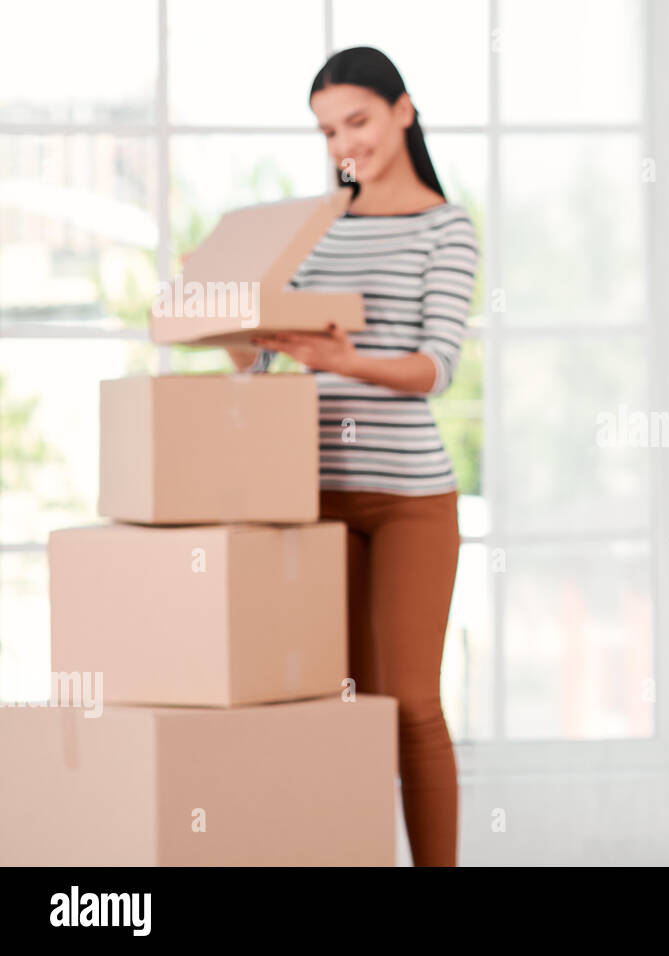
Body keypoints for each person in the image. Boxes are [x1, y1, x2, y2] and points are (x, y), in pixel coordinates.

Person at [226, 47, 479, 867]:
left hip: (409, 497)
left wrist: (339, 359)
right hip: (310, 495)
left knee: (408, 703)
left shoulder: (447, 226)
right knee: (340, 705)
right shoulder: (312, 229)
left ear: (403, 110)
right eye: (329, 130)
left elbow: (436, 367)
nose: (345, 143)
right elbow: (267, 361)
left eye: (358, 121)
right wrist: (242, 341)